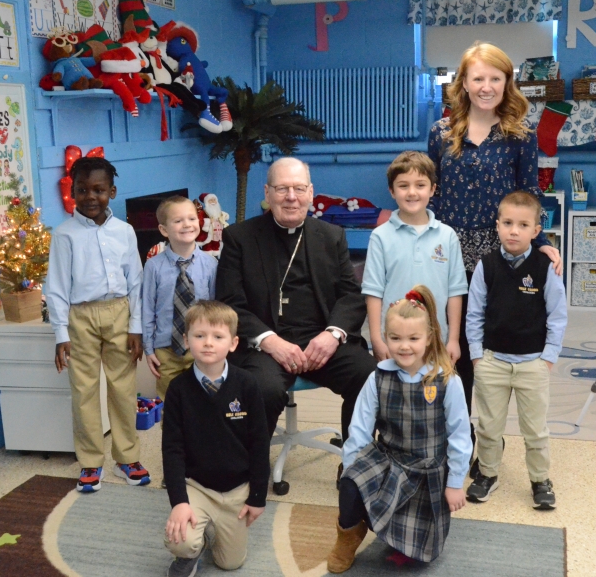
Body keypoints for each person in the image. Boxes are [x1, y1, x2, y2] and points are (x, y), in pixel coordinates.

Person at [428, 41, 563, 471]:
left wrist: (543, 241)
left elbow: (529, 195)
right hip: (447, 249)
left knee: (481, 346)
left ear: (508, 84)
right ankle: (458, 434)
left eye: (495, 79)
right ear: (463, 84)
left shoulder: (519, 137)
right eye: (478, 78)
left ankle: (482, 436)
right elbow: (427, 189)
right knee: (449, 345)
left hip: (496, 253)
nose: (486, 87)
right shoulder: (439, 132)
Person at [216, 157, 376, 470]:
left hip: (320, 340)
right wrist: (268, 340)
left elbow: (350, 296)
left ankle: (356, 460)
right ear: (267, 191)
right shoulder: (240, 237)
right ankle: (252, 467)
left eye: (299, 188)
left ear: (311, 192)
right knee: (263, 388)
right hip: (265, 343)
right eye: (282, 188)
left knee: (368, 374)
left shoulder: (331, 236)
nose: (291, 197)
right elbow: (229, 301)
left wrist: (332, 334)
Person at [327, 285, 472, 573]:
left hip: (428, 471)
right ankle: (349, 534)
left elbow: (460, 435)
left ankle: (395, 531)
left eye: (413, 338)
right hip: (389, 461)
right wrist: (353, 475)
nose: (404, 346)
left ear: (429, 338)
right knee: (350, 480)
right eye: (395, 338)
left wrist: (455, 483)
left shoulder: (447, 381)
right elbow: (359, 430)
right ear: (384, 338)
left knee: (415, 558)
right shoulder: (377, 378)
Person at [45, 157, 151, 493]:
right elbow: (57, 288)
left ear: (112, 191)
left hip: (119, 312)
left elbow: (136, 281)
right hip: (81, 318)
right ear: (72, 193)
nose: (91, 197)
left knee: (122, 388)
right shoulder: (65, 235)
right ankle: (91, 462)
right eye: (82, 190)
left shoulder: (125, 231)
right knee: (84, 391)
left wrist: (136, 326)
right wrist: (61, 334)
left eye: (99, 190)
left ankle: (127, 457)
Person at [464, 191, 567, 510]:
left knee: (535, 429)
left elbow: (558, 315)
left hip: (532, 363)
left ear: (536, 231)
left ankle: (540, 479)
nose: (513, 230)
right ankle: (487, 473)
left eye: (523, 225)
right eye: (507, 223)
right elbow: (474, 313)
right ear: (497, 226)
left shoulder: (545, 267)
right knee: (489, 426)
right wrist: (477, 356)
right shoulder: (486, 265)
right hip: (492, 361)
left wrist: (548, 358)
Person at [162, 300, 270, 577]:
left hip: (237, 490)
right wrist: (179, 502)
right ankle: (192, 550)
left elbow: (259, 444)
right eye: (199, 336)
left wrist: (257, 496)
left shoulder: (247, 385)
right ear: (186, 340)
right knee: (180, 540)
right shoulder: (178, 389)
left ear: (233, 343)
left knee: (230, 563)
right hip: (197, 486)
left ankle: (211, 535)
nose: (208, 343)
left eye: (217, 337)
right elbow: (172, 450)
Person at [362, 151, 467, 364]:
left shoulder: (447, 236)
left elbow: (455, 291)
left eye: (420, 185)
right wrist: (376, 339)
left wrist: (453, 339)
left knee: (433, 395)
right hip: (394, 341)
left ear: (432, 189)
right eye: (403, 186)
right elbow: (373, 291)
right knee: (394, 396)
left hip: (436, 342)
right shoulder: (380, 237)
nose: (412, 193)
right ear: (391, 191)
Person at [142, 195, 218, 399]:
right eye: (178, 221)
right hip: (166, 350)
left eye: (192, 219)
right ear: (164, 230)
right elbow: (148, 310)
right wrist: (149, 349)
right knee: (172, 405)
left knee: (203, 402)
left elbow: (214, 310)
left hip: (202, 347)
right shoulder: (153, 266)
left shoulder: (210, 265)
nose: (187, 225)